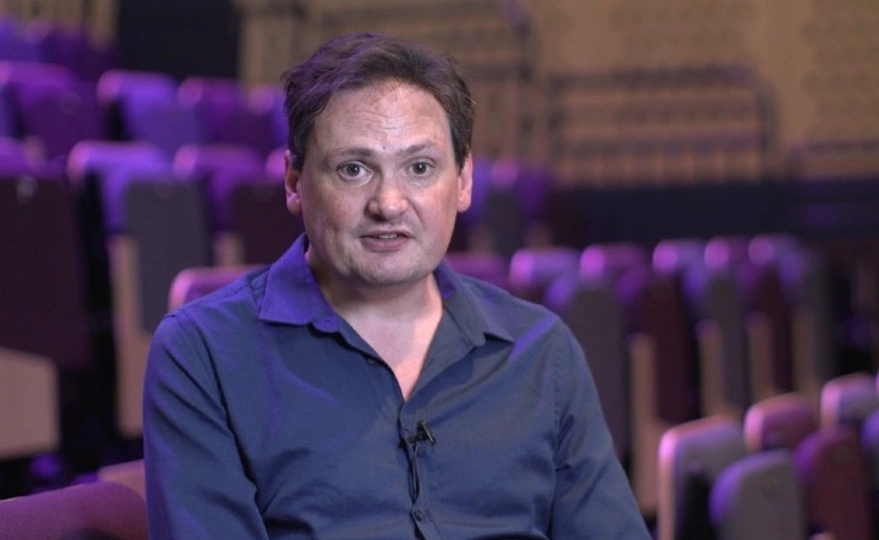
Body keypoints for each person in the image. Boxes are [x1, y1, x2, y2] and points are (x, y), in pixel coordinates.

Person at [143, 31, 652, 539]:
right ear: (294, 182)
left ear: (465, 180)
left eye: (420, 167)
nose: (388, 202)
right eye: (354, 169)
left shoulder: (543, 352)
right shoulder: (203, 355)